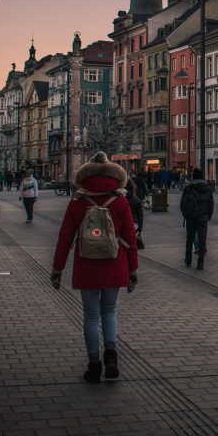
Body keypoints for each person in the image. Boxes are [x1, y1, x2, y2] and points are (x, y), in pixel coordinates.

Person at [51, 152, 138, 383]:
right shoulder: (120, 200)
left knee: (90, 317)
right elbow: (130, 237)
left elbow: (65, 237)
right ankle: (111, 358)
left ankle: (93, 365)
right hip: (115, 261)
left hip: (86, 262)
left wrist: (57, 269)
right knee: (109, 312)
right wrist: (133, 270)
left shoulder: (77, 202)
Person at [180, 168, 214, 270]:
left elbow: (182, 203)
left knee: (189, 239)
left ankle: (188, 259)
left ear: (193, 177)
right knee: (202, 240)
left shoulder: (189, 188)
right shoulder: (207, 188)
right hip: (203, 217)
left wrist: (185, 214)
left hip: (191, 217)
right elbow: (211, 203)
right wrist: (209, 215)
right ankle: (200, 262)